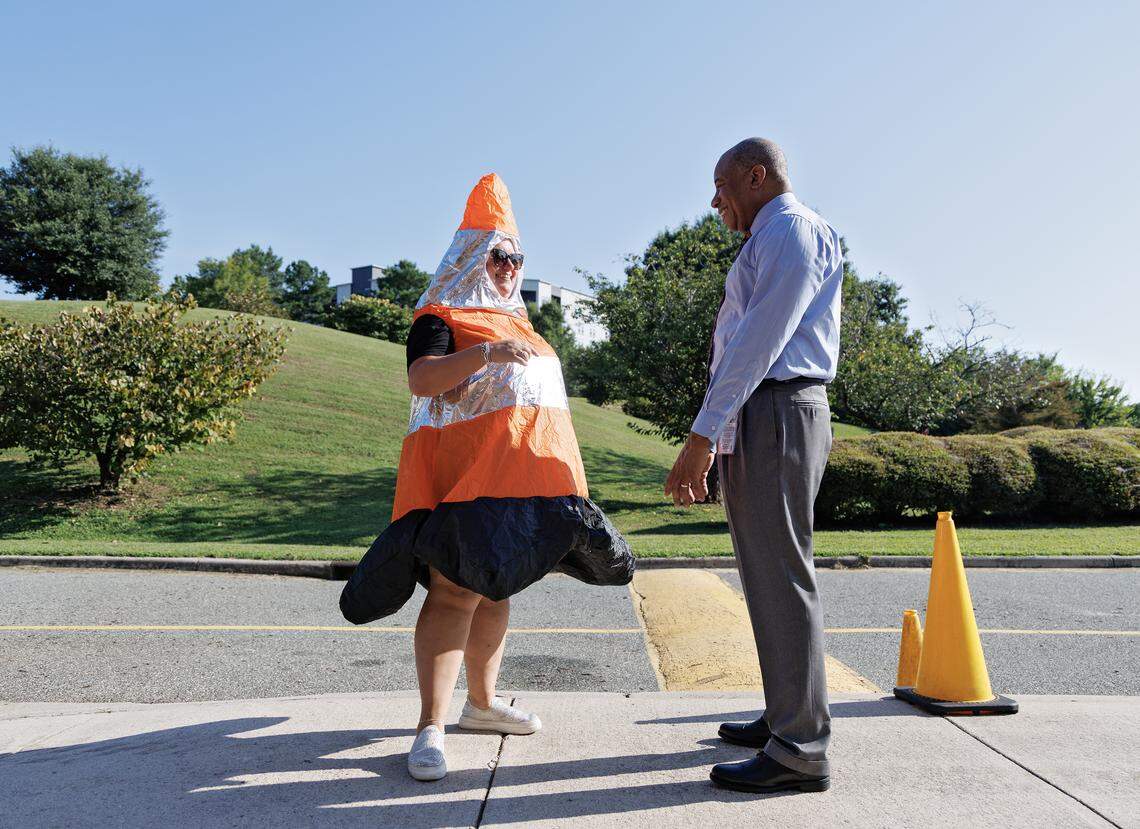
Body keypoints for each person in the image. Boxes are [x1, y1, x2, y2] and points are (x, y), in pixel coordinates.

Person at [339, 173, 633, 782]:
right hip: (463, 489)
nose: (510, 267)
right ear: (474, 256)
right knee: (454, 594)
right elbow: (423, 381)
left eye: (518, 259)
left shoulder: (523, 325)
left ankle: (480, 705)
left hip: (524, 489)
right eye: (500, 256)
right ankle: (430, 726)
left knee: (497, 592)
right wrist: (484, 354)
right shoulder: (440, 315)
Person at [664, 138, 843, 794]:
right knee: (764, 574)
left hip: (779, 410)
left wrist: (703, 435)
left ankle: (799, 747)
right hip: (763, 413)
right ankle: (784, 715)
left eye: (722, 186)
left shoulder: (792, 232)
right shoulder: (769, 237)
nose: (716, 201)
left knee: (781, 573)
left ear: (756, 176)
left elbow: (760, 340)